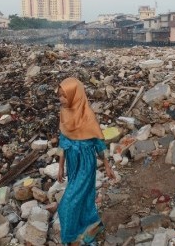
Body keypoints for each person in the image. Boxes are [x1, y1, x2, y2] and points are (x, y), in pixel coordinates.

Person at [56, 77, 115, 246]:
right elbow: (63, 141)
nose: (61, 100)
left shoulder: (87, 115)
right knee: (82, 197)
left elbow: (98, 142)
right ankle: (90, 226)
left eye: (64, 96)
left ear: (75, 95)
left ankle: (71, 237)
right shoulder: (64, 113)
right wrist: (60, 167)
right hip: (73, 164)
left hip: (86, 164)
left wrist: (107, 165)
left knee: (67, 202)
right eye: (60, 96)